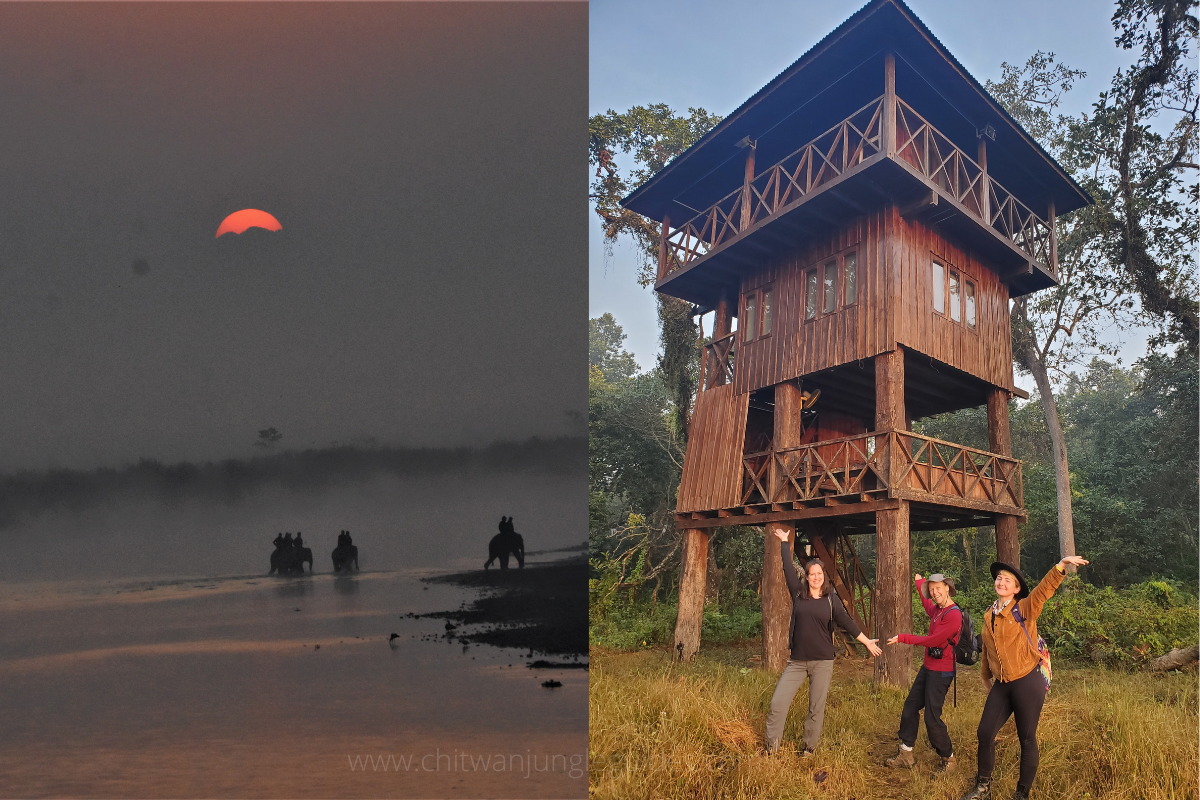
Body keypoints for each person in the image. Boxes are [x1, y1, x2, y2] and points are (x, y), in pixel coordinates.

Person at [957, 555, 1089, 800]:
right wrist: (985, 677)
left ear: (1017, 588)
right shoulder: (990, 614)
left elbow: (1043, 591)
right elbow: (987, 648)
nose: (1001, 582)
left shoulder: (1025, 608)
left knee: (1026, 738)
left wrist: (1060, 566)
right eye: (999, 578)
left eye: (1008, 580)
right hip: (1002, 683)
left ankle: (1021, 793)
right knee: (985, 733)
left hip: (1027, 681)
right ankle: (983, 787)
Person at [764, 528, 883, 755]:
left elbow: (848, 623)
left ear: (823, 576)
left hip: (822, 662)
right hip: (797, 662)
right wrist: (784, 542)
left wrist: (866, 641)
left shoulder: (832, 600)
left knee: (815, 708)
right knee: (777, 704)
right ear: (807, 577)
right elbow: (788, 568)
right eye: (812, 574)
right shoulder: (798, 594)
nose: (816, 577)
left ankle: (809, 749)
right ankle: (771, 750)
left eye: (819, 573)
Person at [884, 572, 962, 774]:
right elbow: (926, 601)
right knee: (910, 707)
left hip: (942, 672)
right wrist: (919, 582)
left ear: (947, 588)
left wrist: (904, 638)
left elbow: (933, 641)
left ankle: (949, 758)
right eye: (932, 590)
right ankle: (906, 753)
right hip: (928, 668)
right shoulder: (936, 610)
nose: (935, 593)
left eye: (938, 588)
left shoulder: (954, 615)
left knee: (931, 717)